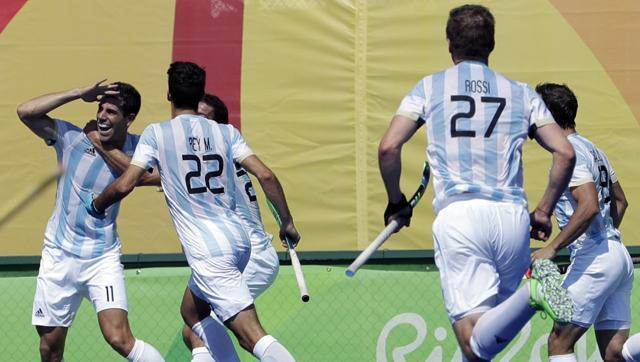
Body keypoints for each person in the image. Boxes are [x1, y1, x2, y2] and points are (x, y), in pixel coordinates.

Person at [378, 4, 576, 361]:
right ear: (492, 44)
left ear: (450, 43)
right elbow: (564, 152)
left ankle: (534, 294)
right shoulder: (522, 93)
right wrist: (544, 211)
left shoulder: (429, 87)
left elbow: (389, 147)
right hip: (512, 219)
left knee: (472, 343)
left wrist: (396, 200)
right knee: (487, 339)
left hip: (461, 217)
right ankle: (531, 294)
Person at [87, 61, 298, 361]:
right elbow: (266, 176)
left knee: (250, 335)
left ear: (169, 94)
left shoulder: (157, 133)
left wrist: (96, 205)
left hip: (209, 250)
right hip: (240, 241)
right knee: (191, 312)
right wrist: (287, 222)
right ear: (200, 94)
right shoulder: (227, 132)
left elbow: (124, 186)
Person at [16, 81, 164, 362]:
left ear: (129, 119)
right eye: (100, 109)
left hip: (102, 258)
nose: (102, 116)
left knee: (120, 339)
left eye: (112, 112)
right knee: (50, 348)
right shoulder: (72, 137)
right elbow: (25, 112)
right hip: (59, 255)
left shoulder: (140, 147)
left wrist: (100, 144)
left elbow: (149, 176)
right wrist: (75, 94)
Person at [532, 83, 640, 362]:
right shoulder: (593, 149)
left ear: (549, 118)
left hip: (596, 259)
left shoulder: (570, 153)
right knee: (615, 353)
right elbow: (620, 201)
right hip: (617, 255)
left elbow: (589, 205)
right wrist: (605, 236)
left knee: (559, 341)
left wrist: (553, 248)